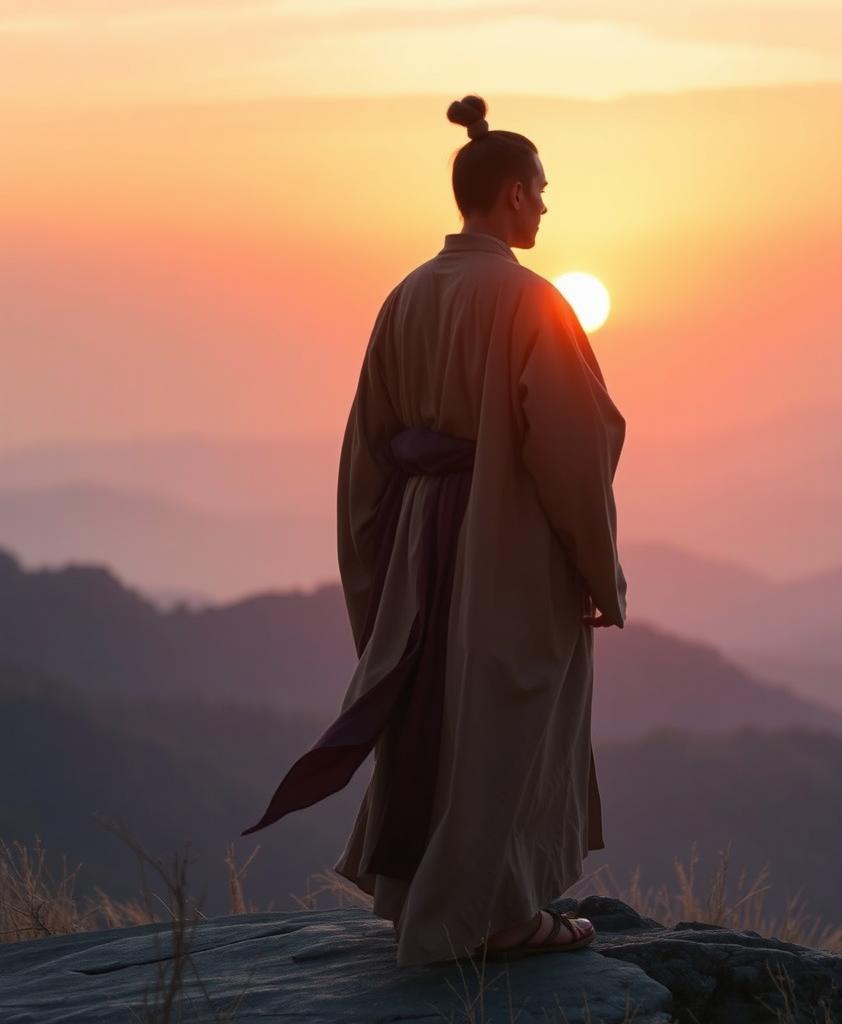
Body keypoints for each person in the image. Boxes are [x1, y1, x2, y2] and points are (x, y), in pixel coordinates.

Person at [239, 93, 628, 968]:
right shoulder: (533, 303)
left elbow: (365, 455)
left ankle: (421, 895)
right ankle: (495, 917)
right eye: (541, 189)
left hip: (419, 541)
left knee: (433, 715)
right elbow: (575, 449)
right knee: (505, 722)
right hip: (505, 543)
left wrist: (376, 574)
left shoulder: (406, 296)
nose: (546, 206)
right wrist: (599, 574)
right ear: (515, 194)